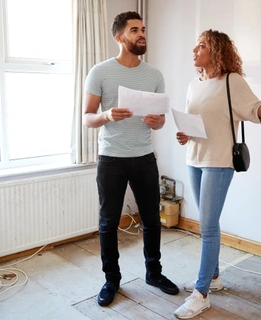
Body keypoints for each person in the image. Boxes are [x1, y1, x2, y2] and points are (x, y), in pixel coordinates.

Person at [173, 29, 261, 319]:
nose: (194, 50)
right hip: (194, 158)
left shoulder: (232, 81)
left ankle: (201, 293)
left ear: (216, 51)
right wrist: (184, 135)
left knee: (208, 225)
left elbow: (256, 112)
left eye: (201, 46)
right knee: (207, 223)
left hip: (219, 161)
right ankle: (214, 278)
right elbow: (199, 123)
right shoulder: (194, 84)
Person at [83, 11, 179, 307]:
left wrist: (156, 122)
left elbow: (161, 120)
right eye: (134, 30)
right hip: (112, 159)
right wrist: (107, 115)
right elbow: (87, 118)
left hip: (145, 157)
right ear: (119, 37)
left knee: (152, 220)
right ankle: (111, 279)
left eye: (143, 29)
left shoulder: (154, 75)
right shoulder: (99, 72)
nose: (142, 34)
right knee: (108, 223)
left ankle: (154, 273)